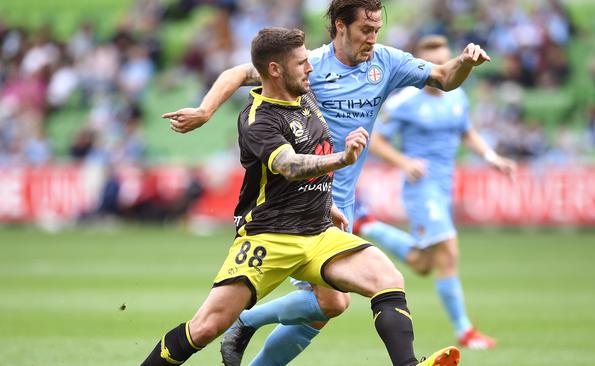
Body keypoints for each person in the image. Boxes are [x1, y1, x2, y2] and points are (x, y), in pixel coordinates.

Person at [162, 1, 490, 364]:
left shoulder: (387, 62)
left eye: (377, 29)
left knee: (322, 311)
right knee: (330, 303)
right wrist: (205, 110)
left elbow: (444, 78)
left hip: (337, 205)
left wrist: (465, 62)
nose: (372, 38)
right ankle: (245, 319)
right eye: (366, 30)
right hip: (297, 202)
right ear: (340, 27)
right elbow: (238, 73)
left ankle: (246, 321)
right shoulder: (309, 66)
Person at [366, 34, 517, 350]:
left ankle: (367, 225)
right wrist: (404, 161)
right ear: (421, 66)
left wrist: (492, 158)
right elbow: (375, 140)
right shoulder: (404, 101)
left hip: (445, 186)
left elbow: (467, 132)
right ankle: (465, 330)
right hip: (422, 188)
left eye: (445, 59)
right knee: (449, 250)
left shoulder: (457, 97)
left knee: (423, 263)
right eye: (432, 60)